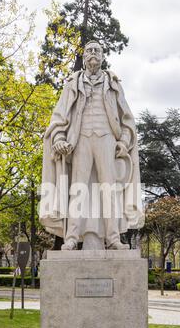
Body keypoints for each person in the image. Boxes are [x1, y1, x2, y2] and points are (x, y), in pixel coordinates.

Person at [40, 41, 143, 250]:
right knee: (78, 189)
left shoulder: (113, 84)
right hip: (80, 139)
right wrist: (59, 138)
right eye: (89, 51)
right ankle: (71, 237)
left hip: (107, 138)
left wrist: (123, 141)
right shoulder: (72, 84)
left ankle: (113, 238)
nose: (93, 53)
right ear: (84, 57)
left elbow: (127, 119)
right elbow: (60, 116)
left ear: (103, 56)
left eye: (97, 50)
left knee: (109, 189)